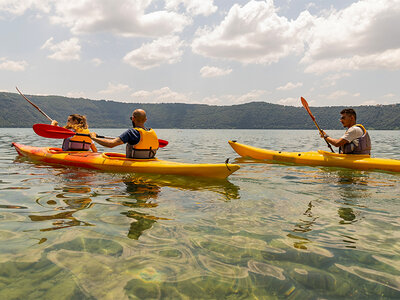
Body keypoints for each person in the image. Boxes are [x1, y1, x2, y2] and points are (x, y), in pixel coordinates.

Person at [90, 109, 159, 159]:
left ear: (133, 119)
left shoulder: (131, 132)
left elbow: (110, 144)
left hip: (135, 164)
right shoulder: (152, 132)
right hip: (150, 161)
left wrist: (94, 138)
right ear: (145, 120)